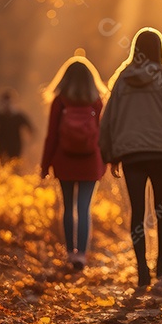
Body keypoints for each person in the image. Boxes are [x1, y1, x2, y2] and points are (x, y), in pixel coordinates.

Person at [100, 28, 162, 288]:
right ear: (160, 49)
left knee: (137, 212)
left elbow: (109, 119)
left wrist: (110, 154)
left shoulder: (121, 80)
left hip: (131, 154)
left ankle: (142, 269)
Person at [40, 57, 107, 270]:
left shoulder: (60, 101)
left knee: (68, 208)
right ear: (90, 79)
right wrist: (105, 161)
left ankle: (71, 253)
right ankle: (82, 256)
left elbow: (51, 136)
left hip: (64, 160)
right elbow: (104, 135)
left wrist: (44, 166)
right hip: (90, 162)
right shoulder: (97, 102)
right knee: (84, 208)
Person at [0, 89, 32, 165]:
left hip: (15, 147)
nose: (7, 104)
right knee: (3, 166)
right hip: (2, 147)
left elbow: (30, 129)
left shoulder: (18, 116)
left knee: (15, 166)